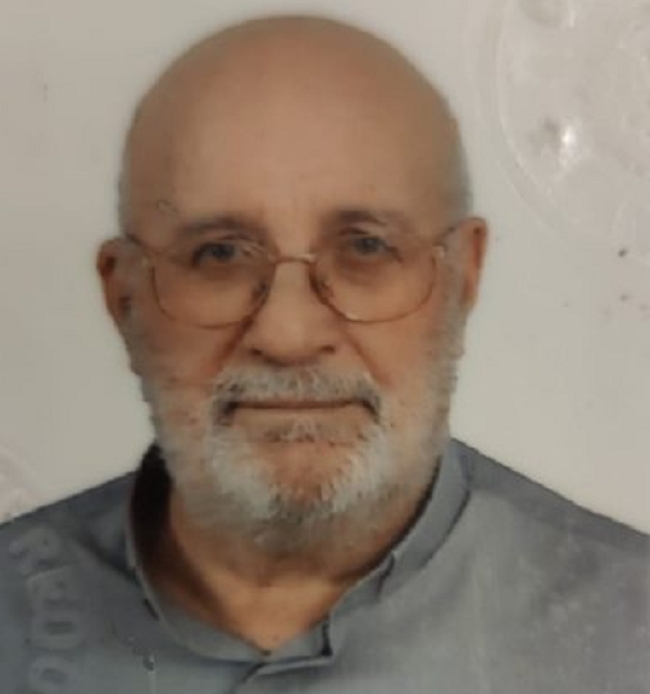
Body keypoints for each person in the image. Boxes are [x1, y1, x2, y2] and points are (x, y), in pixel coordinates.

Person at [0, 14, 648, 694]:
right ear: (123, 297)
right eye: (219, 254)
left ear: (464, 276)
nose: (289, 336)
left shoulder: (629, 633)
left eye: (366, 246)